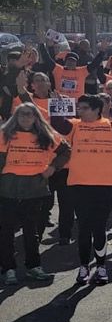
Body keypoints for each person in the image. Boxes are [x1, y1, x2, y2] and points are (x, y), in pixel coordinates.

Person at [51, 90, 112, 285]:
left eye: (84, 108)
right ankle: (84, 267)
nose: (79, 111)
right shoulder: (75, 126)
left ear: (96, 109)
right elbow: (58, 124)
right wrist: (57, 107)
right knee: (84, 226)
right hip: (79, 184)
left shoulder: (111, 125)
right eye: (79, 107)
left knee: (99, 226)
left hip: (106, 184)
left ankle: (101, 266)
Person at [0, 104, 70, 285]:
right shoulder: (5, 135)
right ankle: (8, 268)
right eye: (21, 114)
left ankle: (33, 266)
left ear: (36, 117)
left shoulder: (46, 136)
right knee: (6, 231)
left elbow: (65, 150)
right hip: (8, 189)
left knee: (32, 231)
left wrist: (53, 167)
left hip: (34, 190)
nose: (25, 118)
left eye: (29, 115)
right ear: (15, 116)